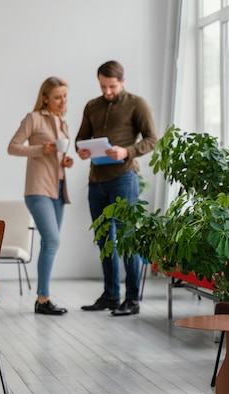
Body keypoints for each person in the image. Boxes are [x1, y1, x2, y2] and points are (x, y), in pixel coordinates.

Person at [76, 60, 157, 316]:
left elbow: (152, 139)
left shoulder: (137, 104)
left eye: (112, 86)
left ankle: (132, 299)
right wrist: (82, 150)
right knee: (103, 240)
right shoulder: (92, 105)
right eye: (103, 86)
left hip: (124, 177)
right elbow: (81, 139)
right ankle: (111, 295)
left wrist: (127, 151)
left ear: (122, 81)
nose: (107, 91)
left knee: (126, 238)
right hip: (96, 179)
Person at [8, 76, 74, 315]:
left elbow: (57, 157)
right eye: (58, 97)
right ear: (45, 98)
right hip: (37, 189)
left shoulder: (62, 123)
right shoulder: (33, 119)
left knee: (49, 242)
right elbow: (12, 147)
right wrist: (40, 149)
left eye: (65, 96)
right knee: (54, 241)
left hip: (58, 189)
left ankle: (42, 301)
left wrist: (65, 161)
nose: (62, 101)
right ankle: (43, 298)